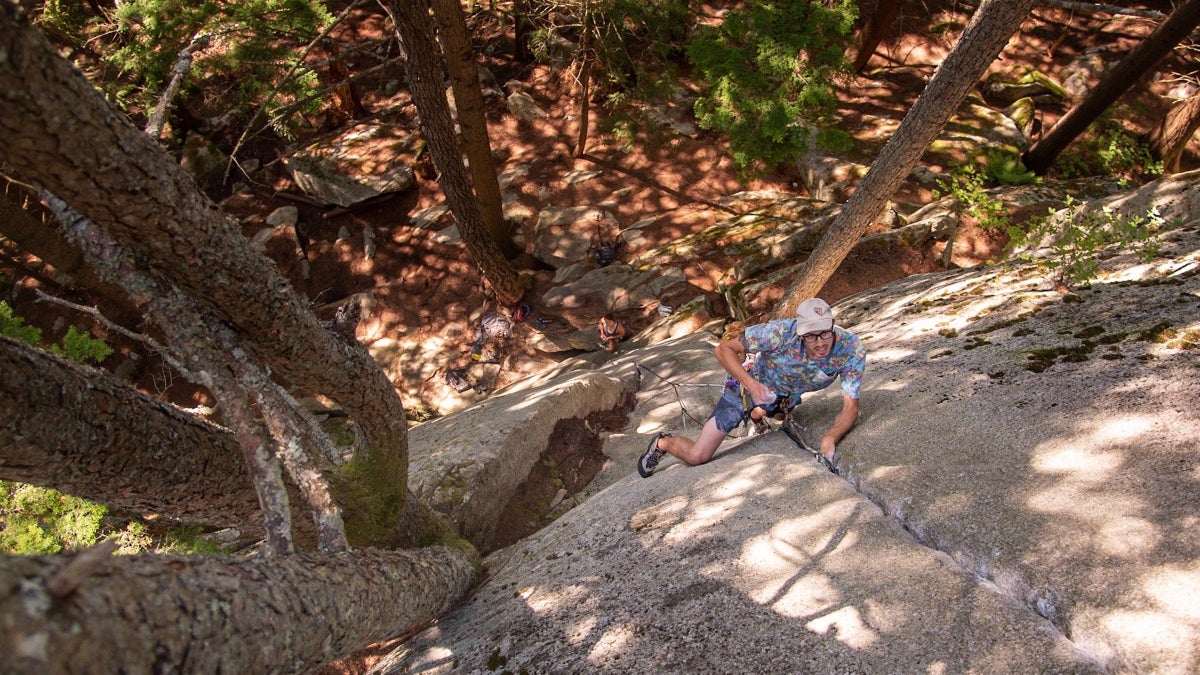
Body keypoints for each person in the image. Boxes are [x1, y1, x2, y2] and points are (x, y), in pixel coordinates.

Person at [638, 298, 865, 477]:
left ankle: (758, 415)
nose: (820, 342)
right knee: (698, 456)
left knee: (774, 410)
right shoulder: (779, 333)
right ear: (799, 332)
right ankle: (664, 442)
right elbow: (723, 349)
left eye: (825, 332)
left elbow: (850, 407)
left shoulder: (850, 349)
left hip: (782, 394)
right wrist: (751, 385)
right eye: (811, 336)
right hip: (746, 387)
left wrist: (830, 439)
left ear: (833, 325)